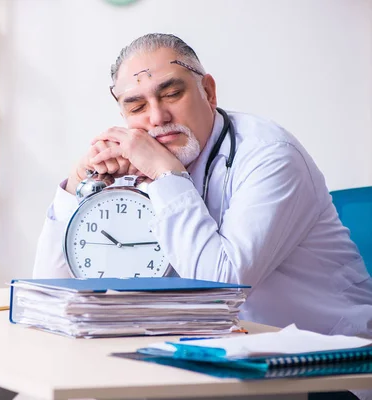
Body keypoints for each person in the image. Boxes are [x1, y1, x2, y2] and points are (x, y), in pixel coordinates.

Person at [33, 33, 371, 337]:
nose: (156, 117)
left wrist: (166, 174)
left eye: (171, 94)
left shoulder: (271, 157)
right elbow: (50, 295)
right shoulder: (132, 166)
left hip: (325, 365)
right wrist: (77, 184)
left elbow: (220, 288)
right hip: (200, 356)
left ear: (208, 91)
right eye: (136, 106)